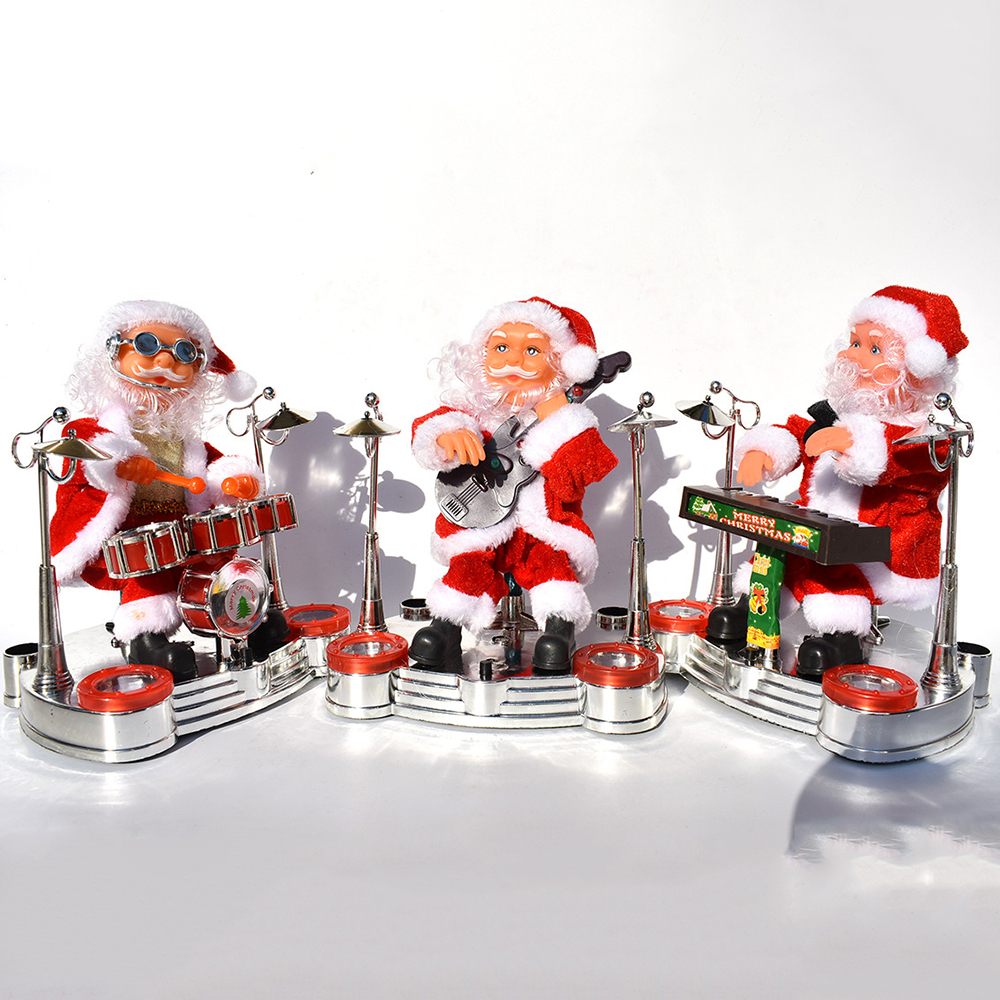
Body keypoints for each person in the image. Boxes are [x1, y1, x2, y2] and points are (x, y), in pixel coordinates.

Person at [722, 285, 967, 678]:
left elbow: (906, 462)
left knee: (833, 573)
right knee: (774, 552)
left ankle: (841, 635)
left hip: (880, 545)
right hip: (816, 531)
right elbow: (798, 432)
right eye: (854, 343)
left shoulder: (921, 433)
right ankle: (754, 607)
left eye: (873, 348)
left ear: (916, 371)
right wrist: (766, 451)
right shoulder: (837, 414)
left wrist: (852, 443)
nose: (852, 356)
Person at [49, 299, 287, 680]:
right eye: (146, 345)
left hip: (185, 533)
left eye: (183, 353)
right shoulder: (97, 428)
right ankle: (145, 637)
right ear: (112, 352)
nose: (164, 361)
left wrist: (233, 481)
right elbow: (91, 454)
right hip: (134, 539)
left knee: (218, 567)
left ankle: (241, 622)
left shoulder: (186, 440)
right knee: (151, 577)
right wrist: (118, 464)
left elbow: (212, 467)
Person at [410, 297, 618, 673]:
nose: (513, 361)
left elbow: (575, 480)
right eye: (501, 347)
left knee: (553, 566)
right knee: (467, 566)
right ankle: (446, 630)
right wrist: (447, 435)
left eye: (532, 350)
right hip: (481, 524)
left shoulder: (569, 422)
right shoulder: (474, 412)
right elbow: (431, 427)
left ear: (560, 364)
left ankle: (559, 630)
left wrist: (557, 429)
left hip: (542, 529)